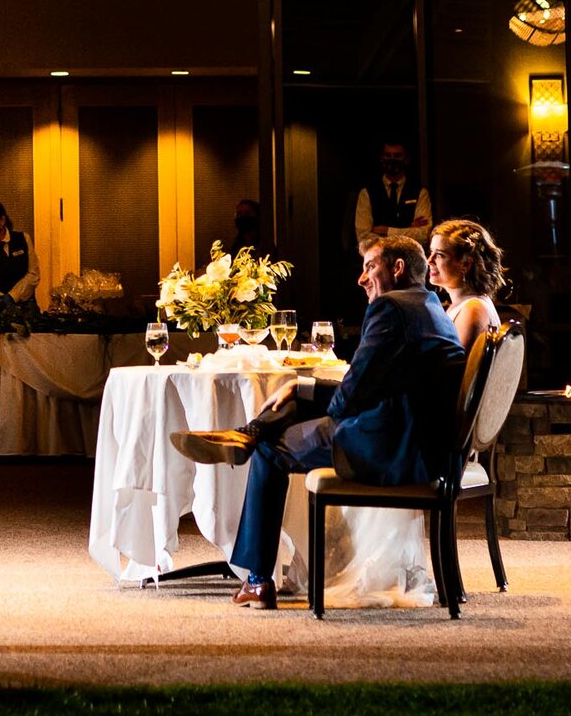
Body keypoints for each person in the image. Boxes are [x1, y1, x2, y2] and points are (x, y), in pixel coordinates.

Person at [171, 237, 467, 610]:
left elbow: (349, 401)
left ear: (397, 268)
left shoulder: (391, 310)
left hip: (393, 449)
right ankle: (248, 433)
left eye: (369, 266)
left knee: (270, 450)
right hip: (422, 444)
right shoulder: (428, 307)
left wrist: (307, 394)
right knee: (295, 396)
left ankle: (259, 578)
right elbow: (367, 388)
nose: (361, 279)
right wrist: (302, 387)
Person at [428, 217, 506, 350]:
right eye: (431, 252)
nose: (430, 260)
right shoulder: (464, 305)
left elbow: (459, 369)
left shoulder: (473, 309)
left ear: (465, 264)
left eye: (440, 255)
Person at [353, 141, 433, 249]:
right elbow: (364, 237)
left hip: (410, 258)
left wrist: (386, 231)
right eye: (388, 155)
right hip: (378, 260)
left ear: (406, 159)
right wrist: (408, 230)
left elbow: (424, 235)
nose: (392, 160)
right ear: (381, 158)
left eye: (397, 156)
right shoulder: (366, 193)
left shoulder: (420, 193)